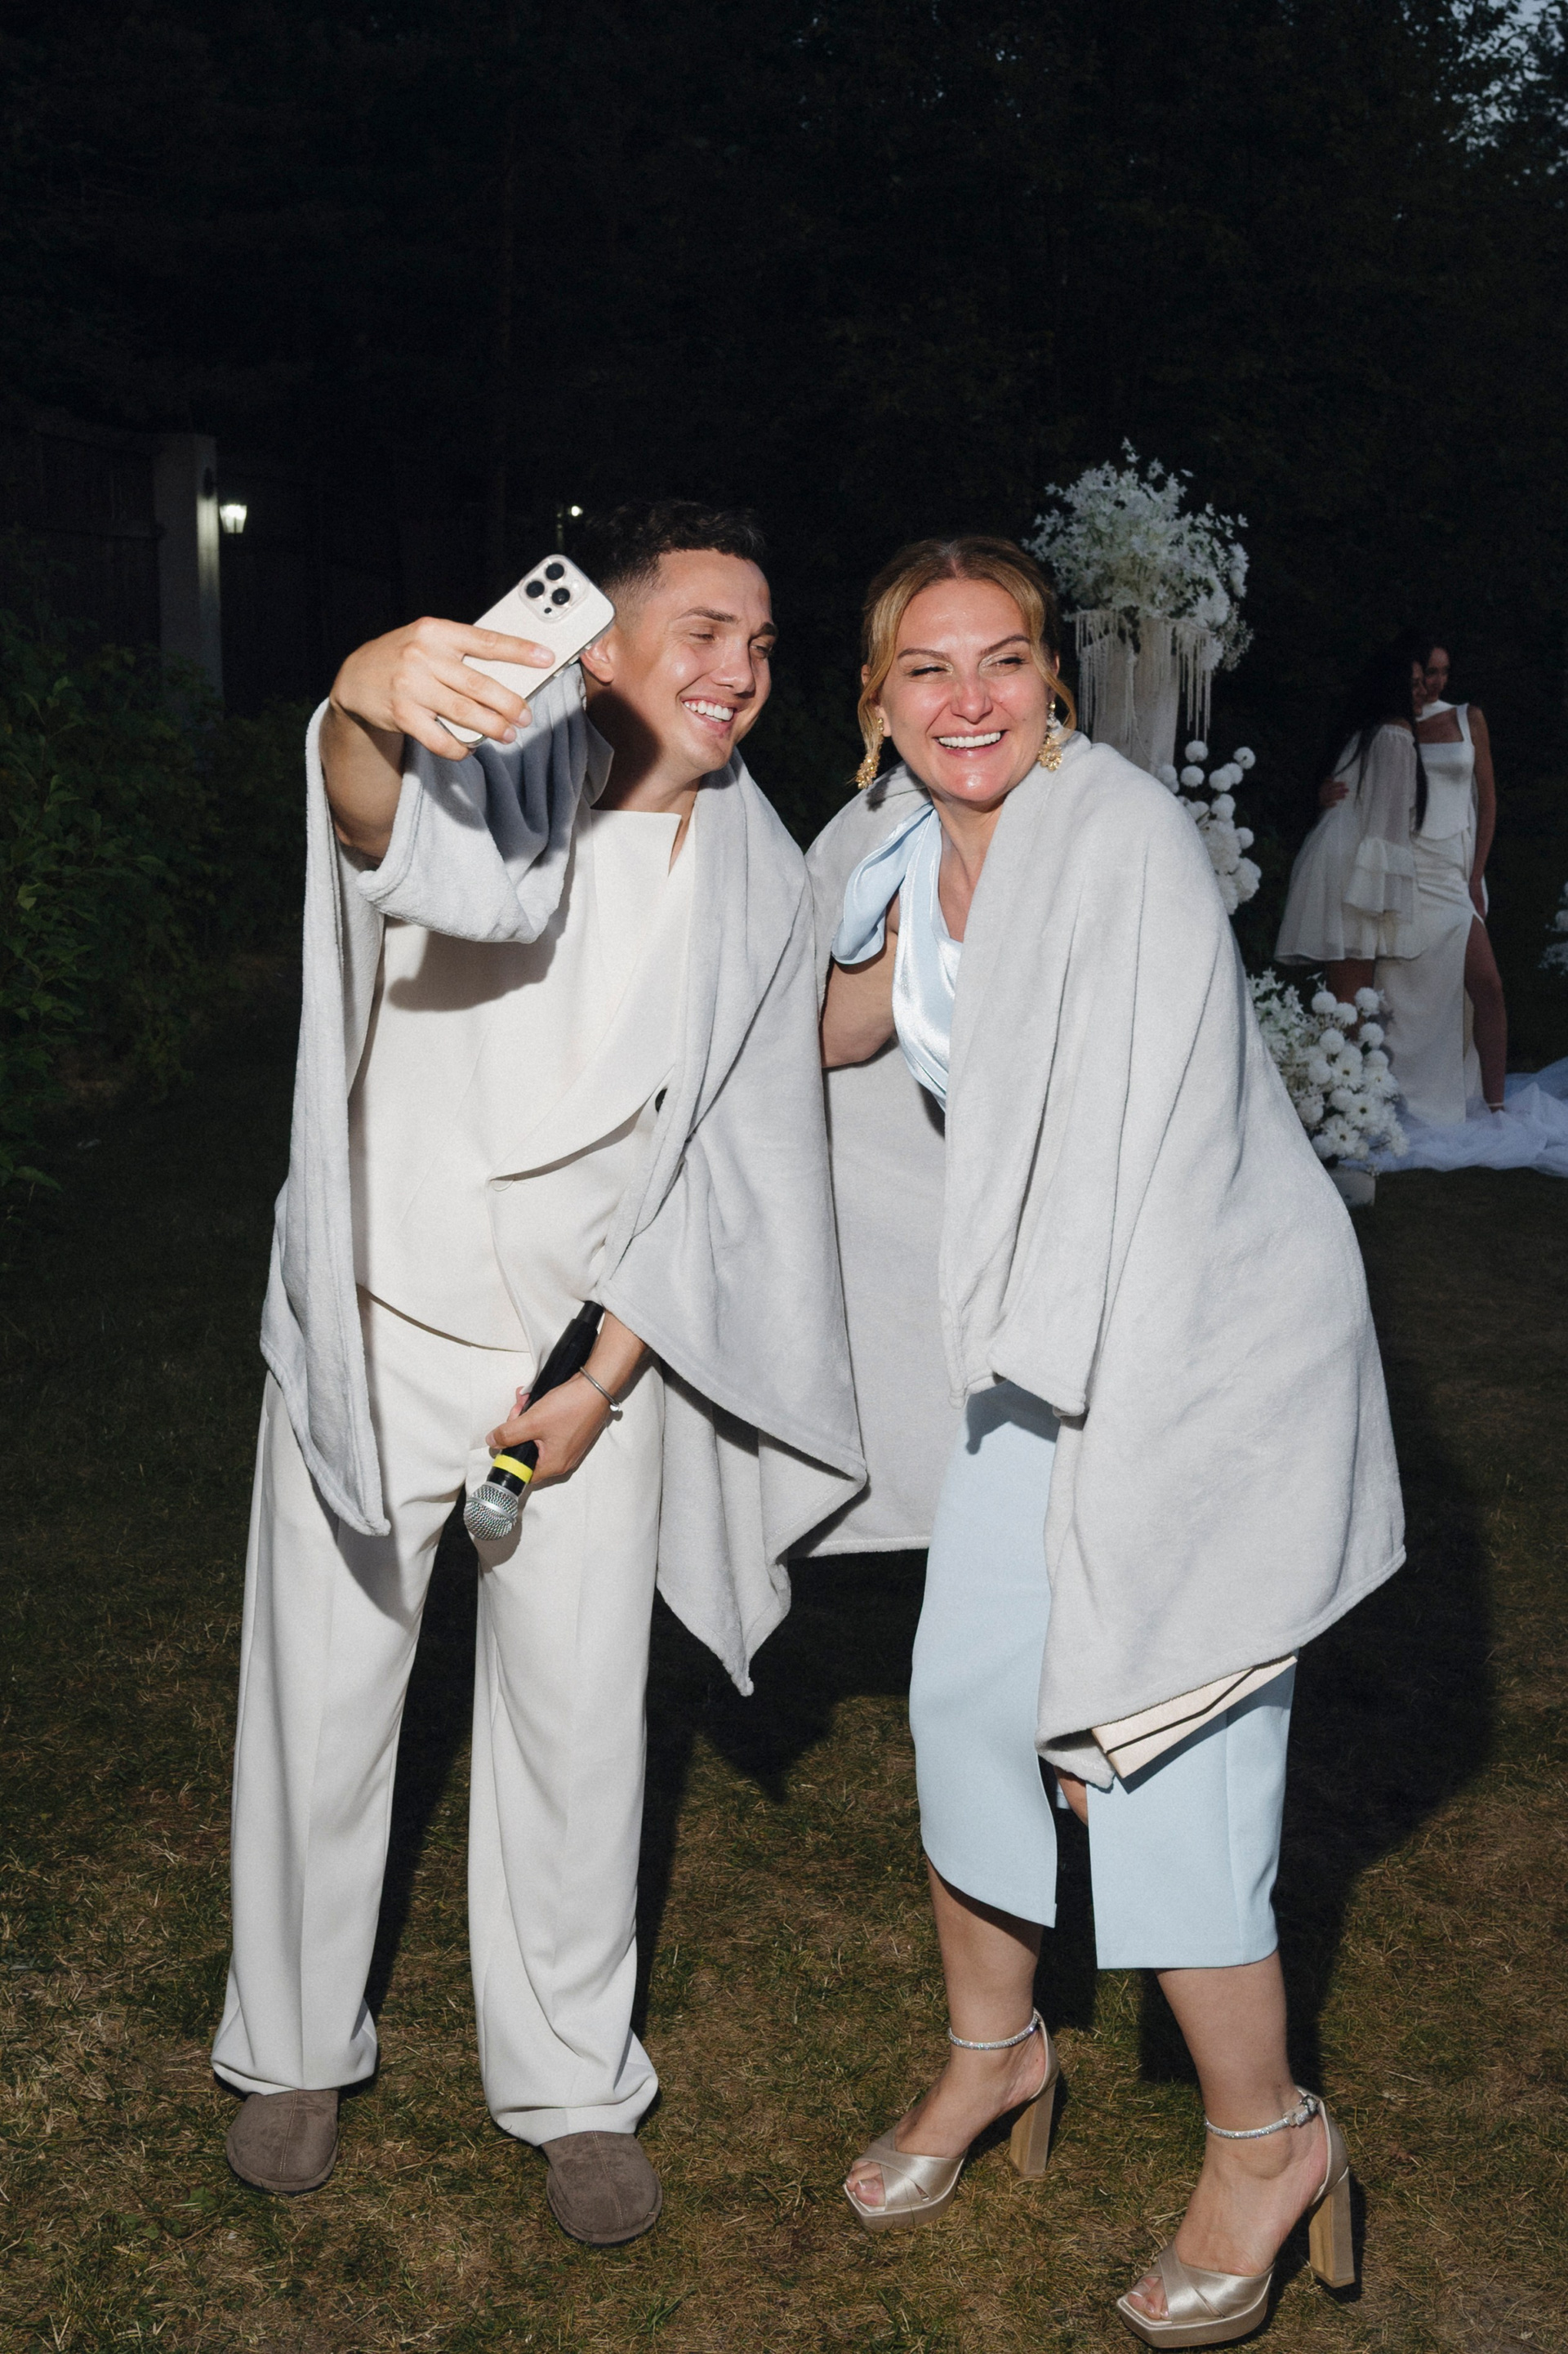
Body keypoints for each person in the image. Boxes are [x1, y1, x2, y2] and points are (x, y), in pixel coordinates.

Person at [212, 501, 864, 2243]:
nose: (741, 668)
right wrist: (363, 695)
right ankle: (291, 2045)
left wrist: (609, 1374)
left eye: (763, 640)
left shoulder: (759, 869)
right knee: (322, 1704)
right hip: (380, 1321)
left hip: (583, 1364)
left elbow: (730, 1157)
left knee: (579, 1728)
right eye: (706, 630)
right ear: (608, 643)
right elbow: (379, 829)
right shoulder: (496, 774)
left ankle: (574, 2083)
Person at [808, 537, 1404, 2345]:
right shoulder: (885, 852)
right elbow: (820, 1024)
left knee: (1158, 1742)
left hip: (1199, 1342)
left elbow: (1137, 1161)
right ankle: (996, 2050)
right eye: (927, 668)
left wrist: (1104, 1531)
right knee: (970, 1706)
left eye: (1002, 658)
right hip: (1043, 1348)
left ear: (1052, 679)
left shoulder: (1119, 838)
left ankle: (1269, 2140)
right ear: (877, 704)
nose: (968, 697)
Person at [1303, 639, 1507, 1120]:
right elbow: (1362, 787)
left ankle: (1496, 1107)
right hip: (1403, 869)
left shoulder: (1468, 718)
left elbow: (1488, 801)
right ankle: (1396, 1094)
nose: (1434, 684)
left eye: (1442, 673)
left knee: (1488, 984)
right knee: (1399, 994)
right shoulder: (1393, 723)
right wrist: (1325, 793)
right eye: (1426, 674)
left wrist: (1476, 874)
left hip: (1454, 871)